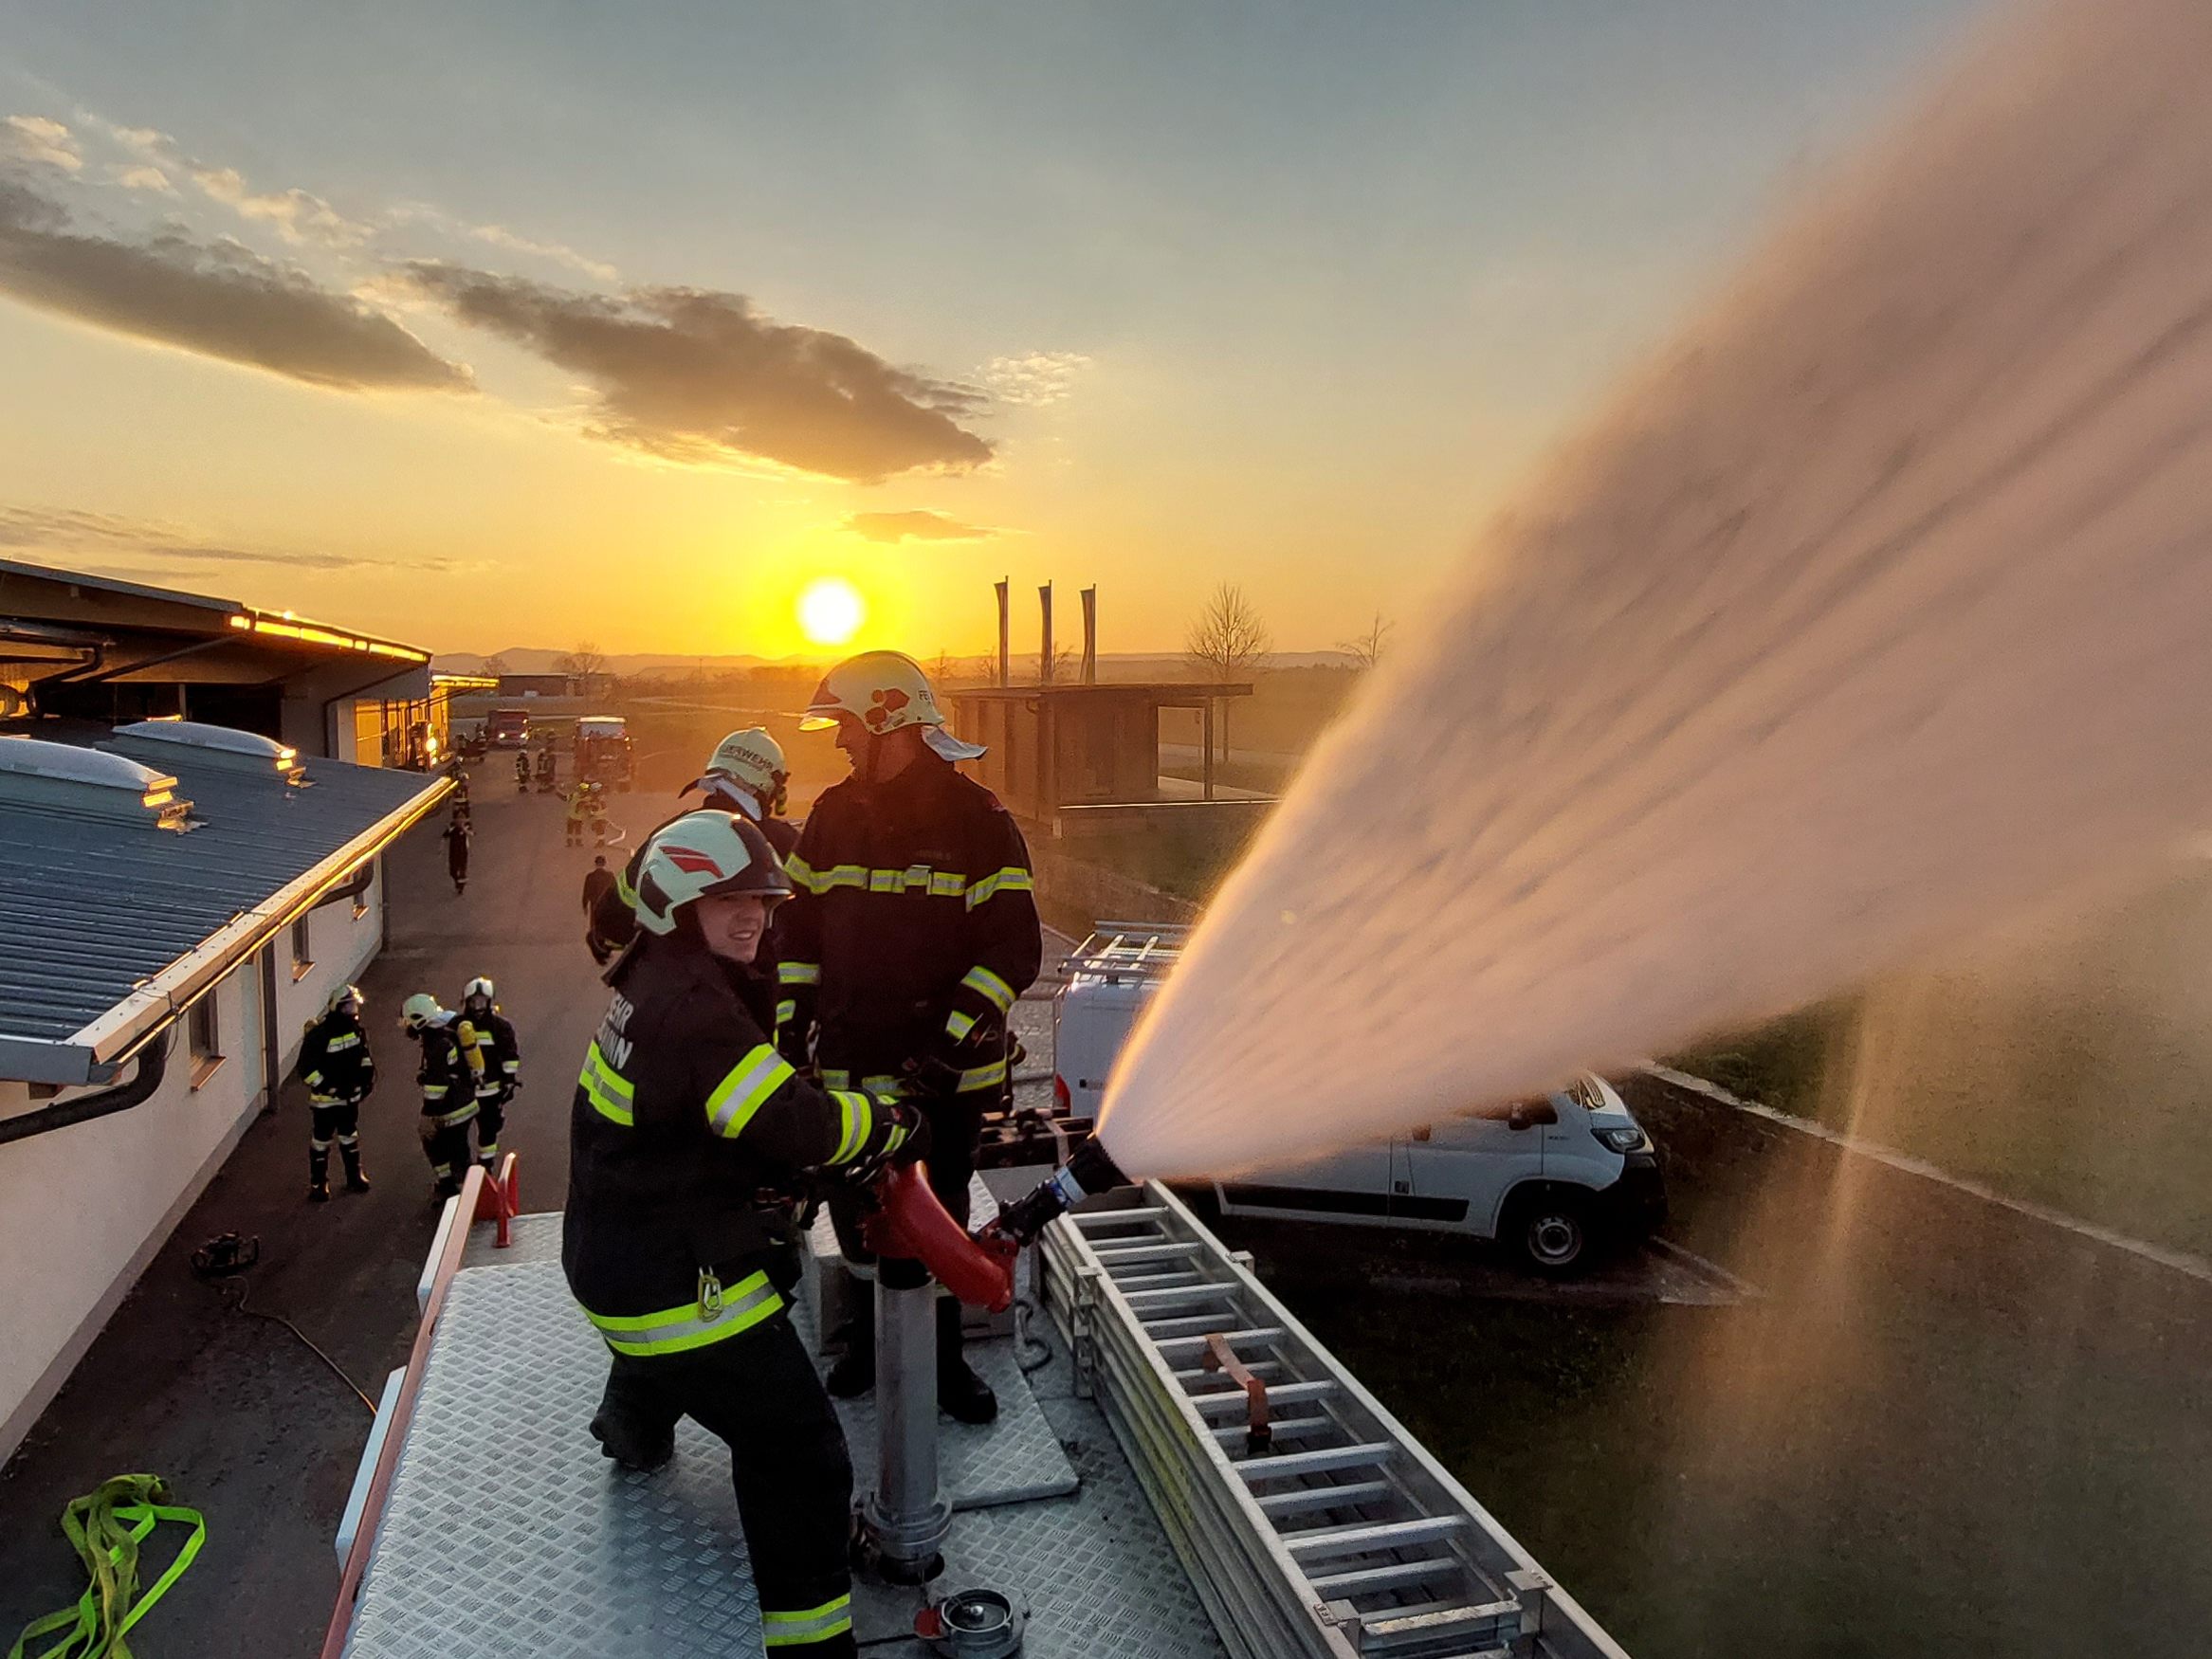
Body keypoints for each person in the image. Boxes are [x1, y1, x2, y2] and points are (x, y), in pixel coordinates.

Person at [563, 811, 923, 1659]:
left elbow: (697, 1121)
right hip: (661, 1287)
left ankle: (635, 1423)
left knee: (762, 1264)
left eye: (760, 900)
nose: (751, 918)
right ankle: (812, 1648)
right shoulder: (695, 1010)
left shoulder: (649, 978)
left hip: (614, 1255)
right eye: (725, 902)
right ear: (675, 908)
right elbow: (796, 1125)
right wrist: (889, 1124)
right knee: (798, 1453)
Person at [777, 650, 1042, 1424]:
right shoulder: (831, 814)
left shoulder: (979, 822)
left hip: (943, 1084)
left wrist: (953, 1044)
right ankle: (865, 1340)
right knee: (854, 1210)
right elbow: (795, 931)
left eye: (847, 726)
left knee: (942, 1215)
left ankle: (944, 1360)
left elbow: (1011, 950)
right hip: (849, 1070)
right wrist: (792, 1031)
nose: (838, 742)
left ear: (890, 722)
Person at [583, 727, 795, 965]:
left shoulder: (674, 835)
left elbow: (617, 915)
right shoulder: (786, 843)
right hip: (760, 988)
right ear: (770, 785)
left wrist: (602, 938)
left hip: (681, 985)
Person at [400, 994, 484, 1199]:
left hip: (452, 1108)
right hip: (466, 1100)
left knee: (441, 1144)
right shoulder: (447, 1030)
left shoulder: (436, 1044)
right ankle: (456, 1188)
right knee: (456, 1148)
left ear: (420, 1020)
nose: (407, 1027)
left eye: (409, 1021)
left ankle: (464, 1197)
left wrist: (428, 1115)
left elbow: (437, 1086)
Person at [297, 984, 374, 1201]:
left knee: (349, 1137)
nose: (353, 1011)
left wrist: (366, 1080)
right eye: (349, 1006)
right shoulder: (319, 1035)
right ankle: (319, 1185)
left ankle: (354, 1177)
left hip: (349, 1098)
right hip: (326, 1101)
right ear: (338, 1008)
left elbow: (364, 1058)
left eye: (354, 1006)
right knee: (321, 1141)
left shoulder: (356, 1031)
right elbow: (306, 1070)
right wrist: (328, 1087)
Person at [458, 975, 521, 1170]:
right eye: (473, 1001)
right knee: (458, 1134)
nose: (478, 1006)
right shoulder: (456, 1025)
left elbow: (510, 1056)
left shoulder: (500, 1027)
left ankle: (484, 1168)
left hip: (490, 1093)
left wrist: (509, 1081)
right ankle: (462, 1170)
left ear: (490, 1001)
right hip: (464, 1092)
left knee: (489, 1133)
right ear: (466, 1002)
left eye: (482, 1001)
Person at [442, 809, 472, 895]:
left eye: (462, 817)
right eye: (459, 817)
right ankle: (457, 881)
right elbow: (444, 836)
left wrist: (464, 829)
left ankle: (461, 887)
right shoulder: (452, 827)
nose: (460, 820)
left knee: (462, 869)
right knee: (452, 871)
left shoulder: (466, 826)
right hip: (453, 852)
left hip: (463, 851)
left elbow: (472, 833)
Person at [564, 781, 590, 848]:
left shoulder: (576, 796)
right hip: (576, 816)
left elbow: (565, 798)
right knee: (575, 829)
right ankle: (576, 842)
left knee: (573, 829)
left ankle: (573, 842)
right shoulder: (585, 798)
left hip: (574, 816)